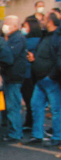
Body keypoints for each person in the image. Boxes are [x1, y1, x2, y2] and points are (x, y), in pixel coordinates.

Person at [25, 13, 61, 147]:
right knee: (36, 106)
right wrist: (34, 59)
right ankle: (37, 135)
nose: (41, 21)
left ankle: (57, 136)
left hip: (50, 79)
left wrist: (51, 76)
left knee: (56, 109)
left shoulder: (57, 37)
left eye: (44, 19)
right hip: (41, 78)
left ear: (50, 22)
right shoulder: (45, 36)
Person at [0, 15, 28, 142]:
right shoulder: (12, 38)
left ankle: (15, 133)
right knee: (11, 105)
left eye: (7, 23)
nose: (4, 26)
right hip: (10, 75)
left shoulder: (17, 39)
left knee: (13, 106)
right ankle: (14, 131)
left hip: (14, 76)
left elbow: (10, 56)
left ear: (15, 26)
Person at [22, 17, 43, 130]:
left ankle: (30, 122)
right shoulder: (41, 40)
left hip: (28, 73)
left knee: (29, 99)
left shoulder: (27, 42)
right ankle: (32, 122)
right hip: (37, 73)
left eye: (25, 26)